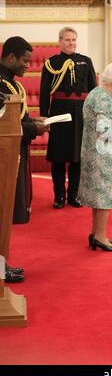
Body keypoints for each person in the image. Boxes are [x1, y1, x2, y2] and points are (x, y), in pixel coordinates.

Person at [0, 36, 49, 282]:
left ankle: (2, 264)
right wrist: (33, 130)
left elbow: (17, 118)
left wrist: (34, 123)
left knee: (5, 214)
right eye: (24, 61)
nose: (28, 66)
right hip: (3, 156)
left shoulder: (11, 84)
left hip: (13, 153)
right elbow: (4, 125)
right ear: (10, 58)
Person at [40, 27, 97, 209]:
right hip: (59, 111)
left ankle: (74, 195)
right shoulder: (51, 63)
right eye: (67, 40)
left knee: (77, 156)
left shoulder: (85, 61)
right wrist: (44, 117)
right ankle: (59, 196)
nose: (71, 43)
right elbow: (44, 92)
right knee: (58, 156)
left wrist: (93, 115)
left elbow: (93, 91)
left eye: (73, 40)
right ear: (60, 41)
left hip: (81, 112)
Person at [78, 63, 112, 251]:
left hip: (93, 151)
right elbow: (104, 131)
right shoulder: (103, 100)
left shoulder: (96, 93)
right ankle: (100, 237)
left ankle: (96, 233)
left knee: (97, 195)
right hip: (101, 155)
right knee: (103, 195)